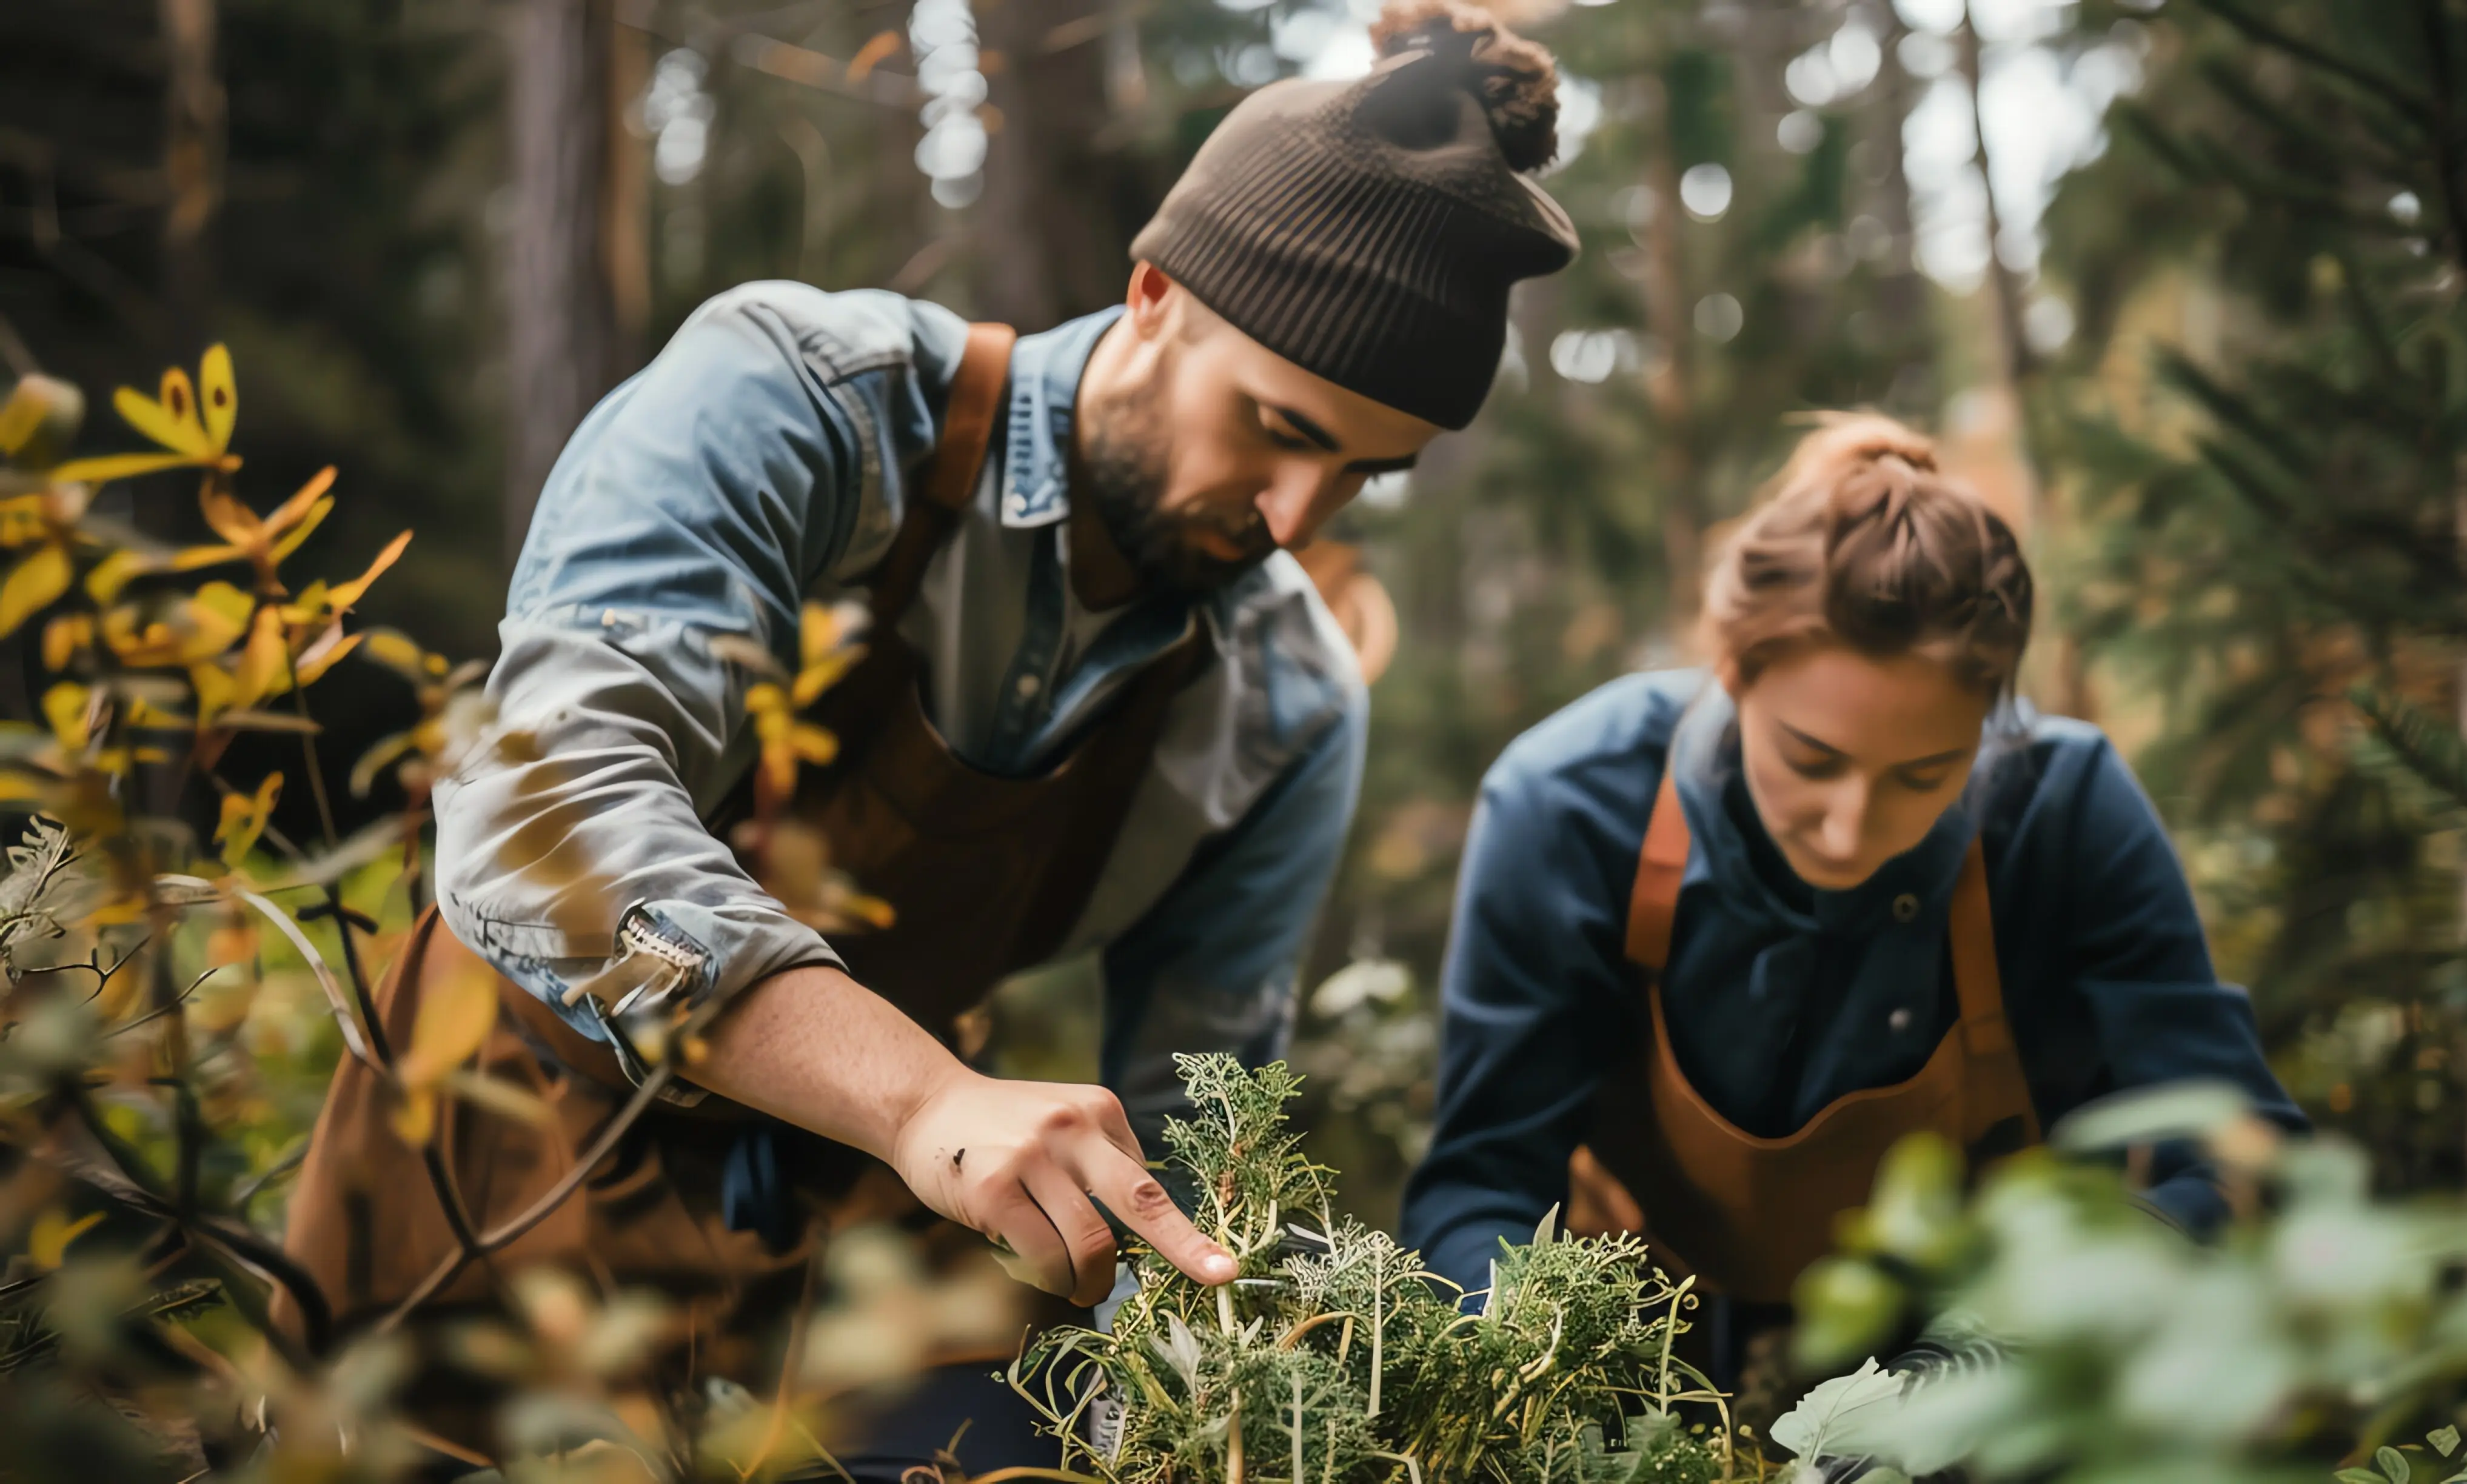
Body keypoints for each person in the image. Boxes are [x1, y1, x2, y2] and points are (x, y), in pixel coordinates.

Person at [270, 5, 1577, 1472]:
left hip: (869, 1239)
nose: (1296, 521)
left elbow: (1204, 1123)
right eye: (1276, 427)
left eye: (1366, 476)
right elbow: (535, 823)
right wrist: (923, 1097)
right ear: (1154, 294)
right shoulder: (805, 401)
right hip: (498, 1133)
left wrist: (1186, 1394)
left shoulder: (1286, 704)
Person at [1398, 415, 2308, 1397]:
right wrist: (1540, 1378)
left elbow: (2239, 1159)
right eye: (1810, 760)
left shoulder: (2067, 810)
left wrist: (1994, 1360)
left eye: (1926, 773)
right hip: (1654, 1356)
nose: (1850, 828)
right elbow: (1481, 1187)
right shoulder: (1569, 805)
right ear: (1734, 671)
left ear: (1991, 718)